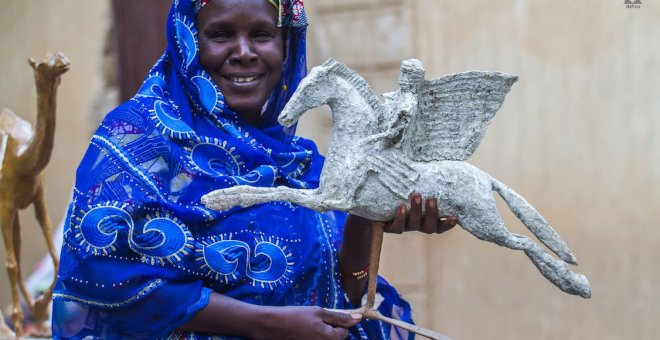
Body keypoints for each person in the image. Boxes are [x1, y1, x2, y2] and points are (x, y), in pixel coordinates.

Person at [52, 0, 456, 338]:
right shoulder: (137, 139)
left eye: (261, 35)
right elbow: (98, 273)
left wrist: (365, 220)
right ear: (188, 41)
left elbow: (346, 288)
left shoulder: (303, 166)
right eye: (222, 34)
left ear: (287, 45)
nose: (244, 51)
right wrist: (267, 324)